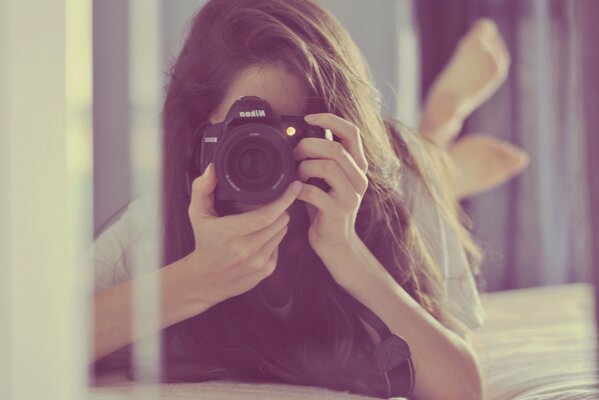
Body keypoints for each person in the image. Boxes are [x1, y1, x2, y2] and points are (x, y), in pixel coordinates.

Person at [89, 1, 526, 399]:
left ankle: (440, 132)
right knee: (429, 167)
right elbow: (41, 338)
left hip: (392, 167)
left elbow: (463, 390)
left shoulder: (391, 185)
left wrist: (349, 252)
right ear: (201, 137)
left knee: (420, 168)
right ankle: (443, 142)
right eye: (242, 137)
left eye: (289, 133)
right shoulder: (161, 219)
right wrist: (199, 278)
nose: (262, 156)